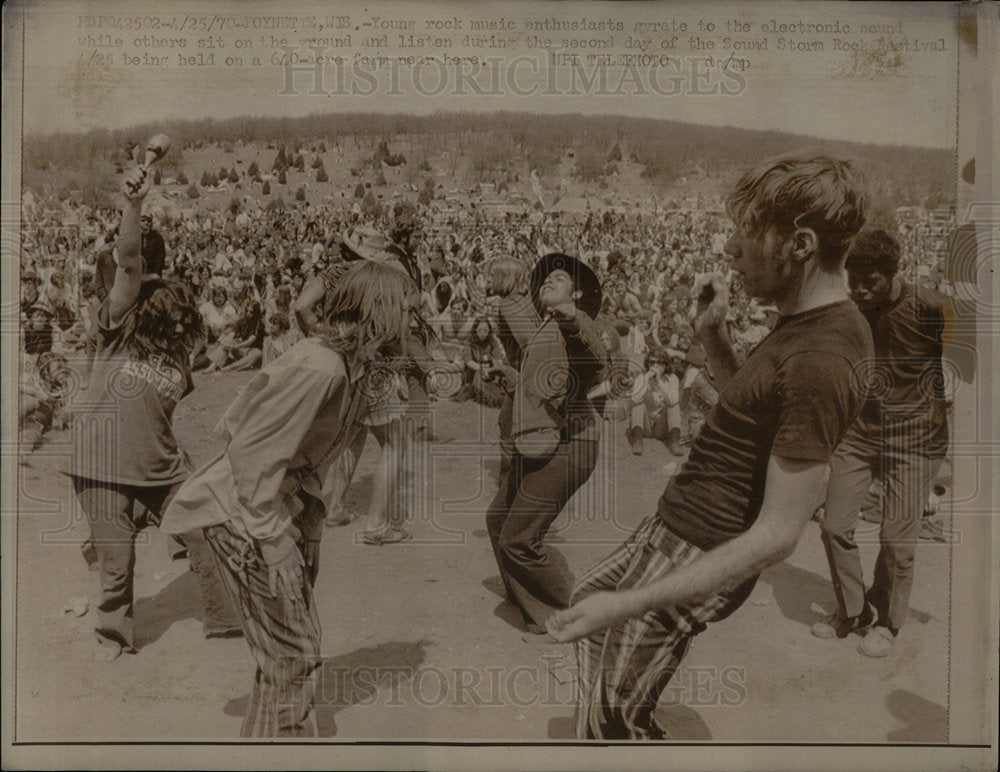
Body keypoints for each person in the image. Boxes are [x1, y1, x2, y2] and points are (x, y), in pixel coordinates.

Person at [546, 151, 872, 739]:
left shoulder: (824, 355)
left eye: (745, 238)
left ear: (798, 245)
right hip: (682, 525)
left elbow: (777, 536)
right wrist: (714, 336)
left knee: (611, 716)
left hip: (704, 545)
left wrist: (632, 604)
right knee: (588, 601)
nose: (727, 252)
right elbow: (752, 411)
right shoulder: (803, 322)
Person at [160, 259, 420, 736]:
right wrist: (276, 540)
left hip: (281, 513)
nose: (412, 318)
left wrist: (309, 529)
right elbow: (251, 452)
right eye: (404, 308)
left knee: (286, 655)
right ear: (376, 311)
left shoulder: (355, 367)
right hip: (247, 516)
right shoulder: (320, 367)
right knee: (294, 652)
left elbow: (313, 459)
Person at [71, 166, 241, 663]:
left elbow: (156, 416)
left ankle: (226, 619)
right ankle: (113, 636)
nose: (171, 306)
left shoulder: (178, 356)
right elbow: (126, 268)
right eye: (157, 292)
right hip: (102, 466)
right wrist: (133, 208)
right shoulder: (116, 322)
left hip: (161, 469)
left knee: (207, 525)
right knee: (118, 568)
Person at [812, 229, 965, 656]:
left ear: (892, 274)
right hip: (861, 433)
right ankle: (854, 611)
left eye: (870, 281)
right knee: (833, 525)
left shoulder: (930, 305)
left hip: (917, 438)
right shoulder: (848, 310)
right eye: (853, 279)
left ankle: (889, 623)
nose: (860, 289)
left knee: (897, 541)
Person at [486, 253, 608, 636]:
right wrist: (507, 374)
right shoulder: (546, 329)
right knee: (498, 522)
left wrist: (572, 316)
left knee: (519, 539)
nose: (546, 282)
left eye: (558, 278)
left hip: (572, 444)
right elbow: (542, 385)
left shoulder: (575, 324)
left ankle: (585, 610)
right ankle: (531, 603)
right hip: (539, 441)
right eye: (544, 279)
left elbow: (593, 357)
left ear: (578, 293)